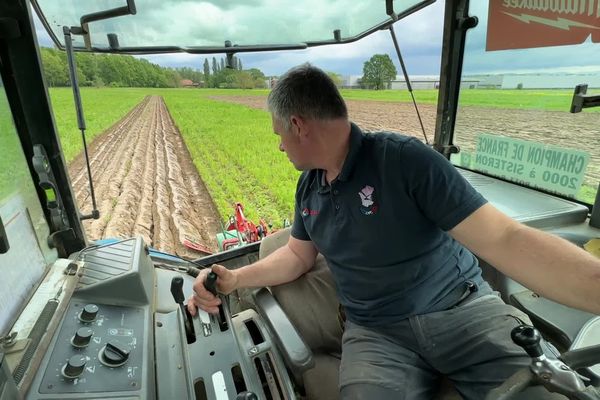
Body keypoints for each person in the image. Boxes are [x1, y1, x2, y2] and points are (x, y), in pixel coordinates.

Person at [188, 63, 600, 399]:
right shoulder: (308, 186)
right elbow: (298, 255)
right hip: (375, 334)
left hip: (463, 313)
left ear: (298, 125)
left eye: (279, 135)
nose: (280, 147)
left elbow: (505, 239)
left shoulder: (404, 162)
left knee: (546, 393)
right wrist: (234, 278)